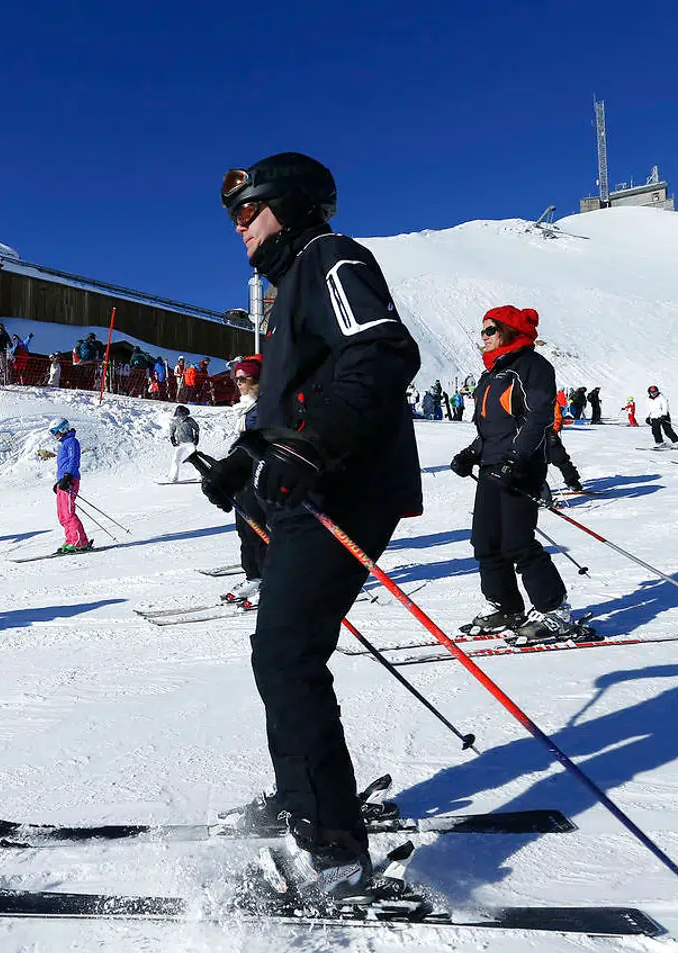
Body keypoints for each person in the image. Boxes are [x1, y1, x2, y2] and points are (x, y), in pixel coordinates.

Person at [201, 152, 422, 901]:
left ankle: (333, 847)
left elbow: (381, 351)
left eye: (248, 211)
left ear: (289, 205)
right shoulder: (288, 287)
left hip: (347, 485)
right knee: (280, 653)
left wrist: (310, 445)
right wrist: (241, 464)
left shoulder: (331, 258)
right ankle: (306, 802)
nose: (238, 226)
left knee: (290, 653)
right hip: (313, 489)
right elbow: (290, 402)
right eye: (234, 216)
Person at [449, 305, 590, 647]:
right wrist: (473, 452)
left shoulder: (532, 366)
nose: (481, 337)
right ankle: (505, 607)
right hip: (491, 467)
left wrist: (515, 460)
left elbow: (538, 417)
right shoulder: (493, 372)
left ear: (508, 331)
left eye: (489, 330)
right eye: (481, 331)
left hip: (519, 467)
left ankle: (555, 611)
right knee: (485, 542)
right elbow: (492, 426)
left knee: (517, 543)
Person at [225, 356, 267, 605]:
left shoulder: (266, 406)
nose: (238, 383)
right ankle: (253, 575)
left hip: (261, 476)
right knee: (244, 529)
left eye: (244, 378)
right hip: (244, 477)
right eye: (236, 378)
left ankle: (270, 579)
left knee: (260, 530)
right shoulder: (244, 406)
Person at [49, 418, 91, 553]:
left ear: (62, 429)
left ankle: (79, 542)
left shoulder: (72, 442)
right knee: (62, 514)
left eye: (54, 431)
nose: (54, 435)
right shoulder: (64, 444)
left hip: (70, 481)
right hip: (64, 481)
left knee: (68, 513)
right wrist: (59, 481)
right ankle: (71, 540)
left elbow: (74, 460)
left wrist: (68, 477)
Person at [546, 397, 583, 492]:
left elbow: (557, 416)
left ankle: (572, 481)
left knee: (560, 459)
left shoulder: (551, 399)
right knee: (533, 462)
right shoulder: (526, 397)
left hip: (550, 434)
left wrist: (553, 431)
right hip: (532, 435)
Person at [167, 405, 200, 481]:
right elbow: (172, 430)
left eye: (184, 415)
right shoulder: (175, 422)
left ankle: (200, 476)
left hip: (190, 443)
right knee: (176, 459)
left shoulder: (190, 420)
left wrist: (196, 437)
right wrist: (172, 439)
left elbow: (196, 428)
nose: (183, 417)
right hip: (179, 443)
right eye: (180, 415)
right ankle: (173, 477)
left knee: (195, 458)